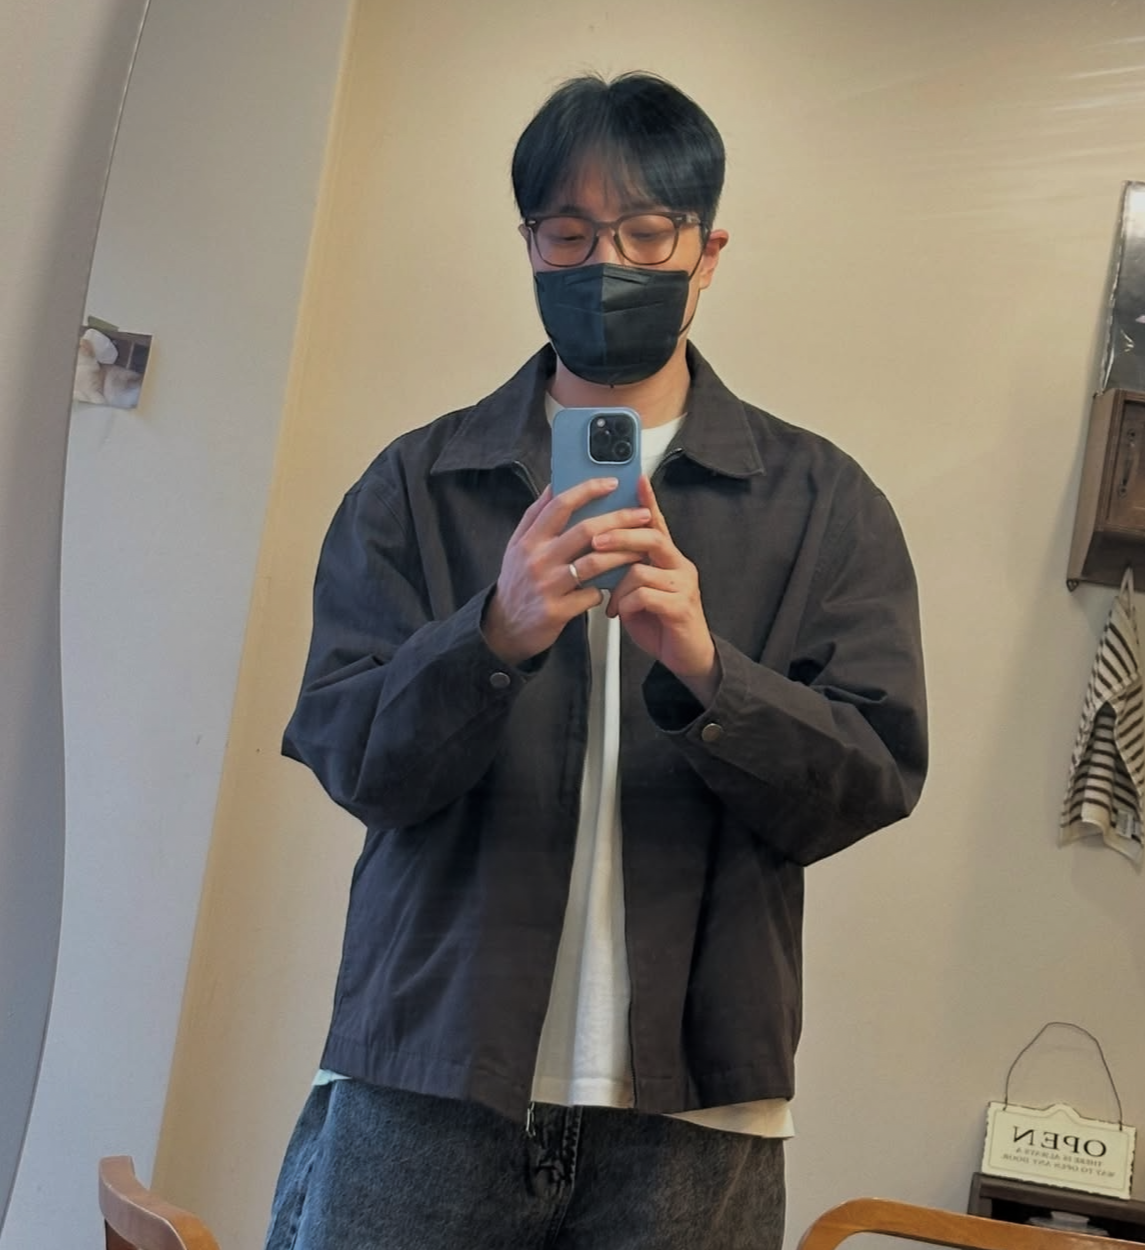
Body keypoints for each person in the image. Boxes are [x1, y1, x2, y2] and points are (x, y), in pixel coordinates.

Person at [263, 71, 928, 1250]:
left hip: (696, 1114)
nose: (605, 262)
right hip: (429, 1074)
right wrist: (492, 634)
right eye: (568, 234)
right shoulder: (418, 484)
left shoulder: (823, 503)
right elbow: (353, 757)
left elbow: (871, 778)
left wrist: (712, 671)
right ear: (528, 244)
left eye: (645, 233)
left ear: (707, 252)